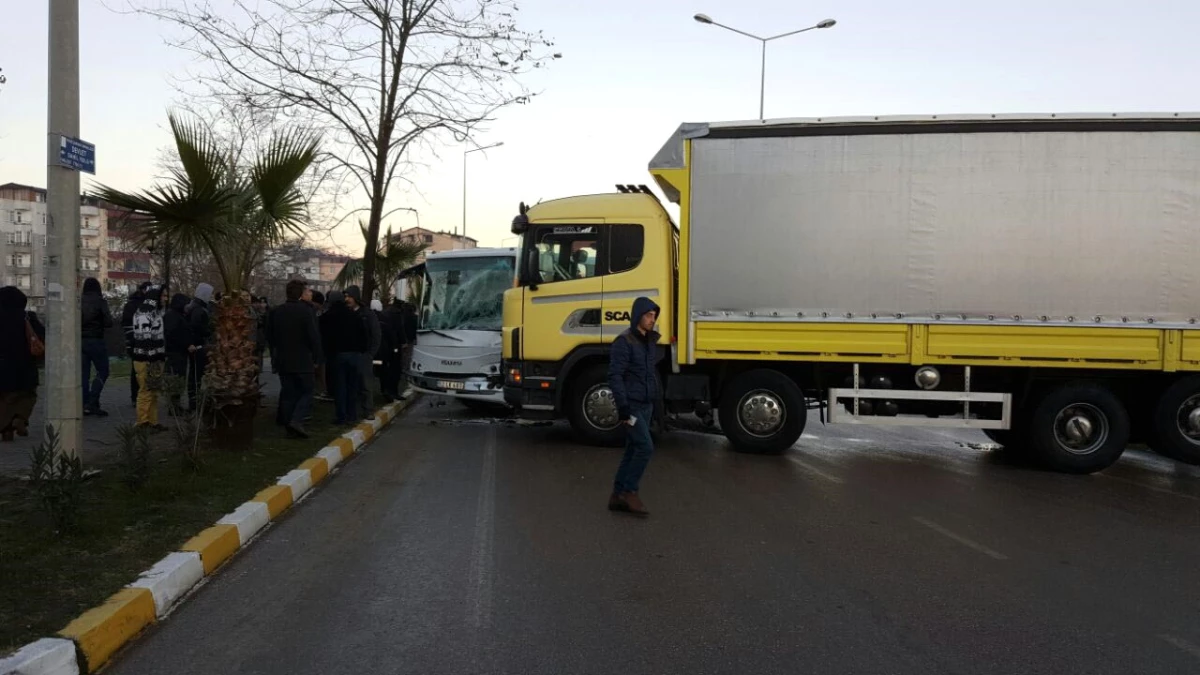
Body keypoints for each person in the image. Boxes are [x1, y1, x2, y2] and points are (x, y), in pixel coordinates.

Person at [607, 297, 662, 517]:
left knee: (633, 448)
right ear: (638, 315)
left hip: (646, 404)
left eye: (654, 316)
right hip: (632, 405)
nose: (652, 319)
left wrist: (656, 401)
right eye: (649, 315)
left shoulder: (648, 341)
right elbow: (615, 376)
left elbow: (648, 374)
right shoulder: (625, 341)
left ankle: (617, 495)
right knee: (645, 448)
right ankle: (629, 492)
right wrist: (623, 407)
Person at [269, 280, 322, 437]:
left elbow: (270, 336)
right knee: (307, 391)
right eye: (306, 291)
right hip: (303, 359)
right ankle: (297, 421)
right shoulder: (306, 311)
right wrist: (318, 357)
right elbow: (313, 336)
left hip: (284, 359)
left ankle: (288, 425)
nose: (309, 293)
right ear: (300, 294)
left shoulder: (276, 311)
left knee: (288, 393)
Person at [0, 286, 44, 441]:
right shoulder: (28, 317)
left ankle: (5, 429)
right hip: (25, 365)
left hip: (2, 365)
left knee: (3, 399)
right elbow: (41, 336)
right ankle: (20, 418)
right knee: (28, 395)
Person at [327, 289, 367, 425]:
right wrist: (361, 350)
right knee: (352, 386)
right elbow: (363, 334)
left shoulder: (328, 316)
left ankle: (341, 416)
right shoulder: (354, 315)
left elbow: (324, 338)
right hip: (354, 355)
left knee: (340, 387)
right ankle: (352, 415)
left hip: (337, 356)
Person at [132, 284, 168, 431]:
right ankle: (142, 423)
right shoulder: (144, 313)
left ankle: (153, 421)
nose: (166, 299)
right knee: (145, 391)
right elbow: (145, 340)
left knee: (154, 392)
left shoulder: (156, 312)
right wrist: (151, 359)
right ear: (156, 297)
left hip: (156, 358)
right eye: (163, 295)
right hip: (146, 359)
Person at [80, 276, 113, 416]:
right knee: (103, 371)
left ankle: (85, 404)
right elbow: (108, 322)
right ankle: (93, 401)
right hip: (96, 340)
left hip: (81, 341)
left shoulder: (78, 301)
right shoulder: (101, 302)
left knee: (83, 375)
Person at [345, 286, 379, 420]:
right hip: (349, 354)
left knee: (366, 384)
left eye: (349, 296)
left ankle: (368, 410)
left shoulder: (367, 313)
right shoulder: (346, 313)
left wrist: (371, 353)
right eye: (345, 296)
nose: (347, 299)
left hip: (364, 354)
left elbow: (376, 334)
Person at [163, 293, 193, 414]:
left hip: (178, 352)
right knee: (176, 377)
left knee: (179, 377)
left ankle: (176, 405)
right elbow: (174, 334)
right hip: (175, 352)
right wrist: (186, 344)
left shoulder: (175, 315)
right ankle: (174, 407)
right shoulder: (173, 316)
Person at [187, 282, 214, 412]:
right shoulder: (199, 309)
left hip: (196, 345)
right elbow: (198, 327)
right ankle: (195, 400)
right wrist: (208, 331)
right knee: (197, 374)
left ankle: (194, 399)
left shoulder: (193, 307)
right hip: (199, 346)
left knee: (194, 374)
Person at [121, 282, 149, 406]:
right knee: (143, 368)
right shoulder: (145, 305)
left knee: (135, 369)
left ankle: (135, 396)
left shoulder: (130, 304)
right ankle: (142, 394)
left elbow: (125, 323)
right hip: (141, 339)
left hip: (132, 339)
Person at [318, 291, 343, 403]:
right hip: (345, 349)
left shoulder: (327, 316)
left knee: (331, 372)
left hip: (330, 349)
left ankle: (331, 392)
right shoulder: (351, 313)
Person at [370, 299, 398, 402]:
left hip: (370, 353)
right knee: (383, 373)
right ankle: (385, 391)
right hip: (382, 354)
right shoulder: (385, 319)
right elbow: (391, 337)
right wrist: (394, 350)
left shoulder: (367, 317)